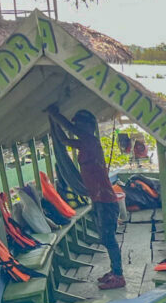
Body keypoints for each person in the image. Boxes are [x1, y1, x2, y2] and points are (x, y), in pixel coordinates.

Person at [47, 105, 125, 290]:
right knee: (105, 238)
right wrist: (54, 124)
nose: (79, 130)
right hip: (99, 200)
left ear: (87, 128)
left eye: (81, 127)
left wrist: (55, 114)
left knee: (109, 239)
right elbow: (65, 140)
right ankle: (114, 271)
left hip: (106, 201)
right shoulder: (84, 143)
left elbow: (71, 132)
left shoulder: (90, 141)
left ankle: (119, 276)